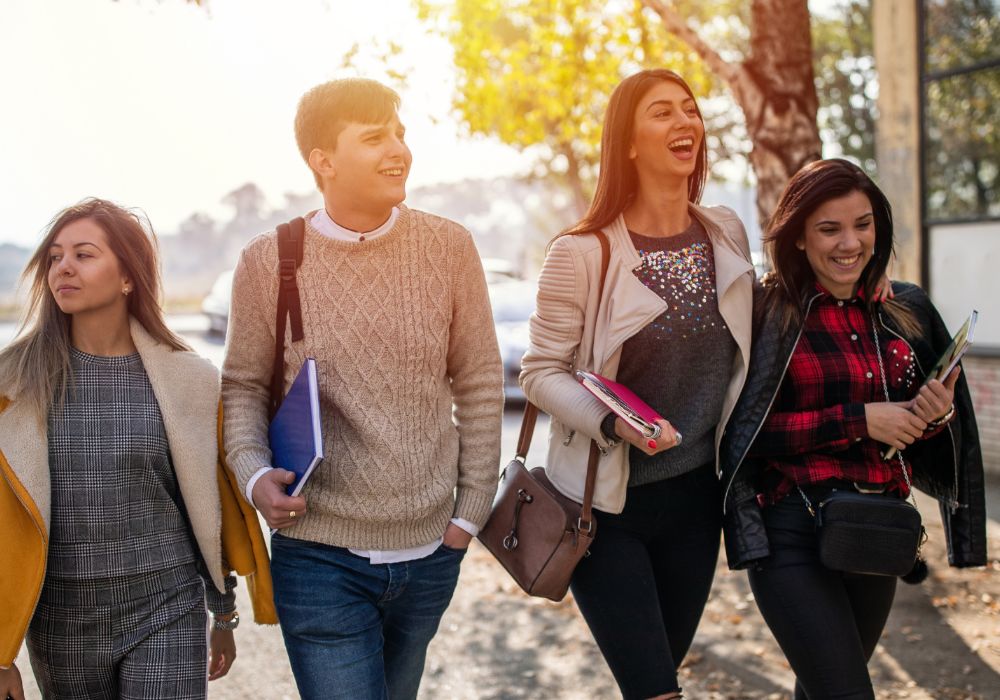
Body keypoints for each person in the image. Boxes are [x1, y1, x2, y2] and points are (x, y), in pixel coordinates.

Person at [221, 77, 503, 700]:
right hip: (317, 553)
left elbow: (481, 383)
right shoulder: (268, 260)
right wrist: (252, 473)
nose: (398, 149)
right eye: (375, 137)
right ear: (323, 161)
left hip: (432, 548)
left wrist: (468, 514)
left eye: (400, 134)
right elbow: (241, 387)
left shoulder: (450, 248)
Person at [519, 69, 755, 700]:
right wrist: (611, 422)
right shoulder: (581, 252)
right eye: (661, 113)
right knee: (658, 691)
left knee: (652, 685)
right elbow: (539, 372)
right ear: (626, 142)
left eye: (690, 110)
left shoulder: (725, 231)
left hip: (697, 505)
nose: (685, 123)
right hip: (604, 508)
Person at [720, 158, 987, 699]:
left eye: (863, 225)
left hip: (875, 527)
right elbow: (744, 435)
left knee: (822, 688)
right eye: (829, 228)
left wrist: (931, 418)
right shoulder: (767, 310)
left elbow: (916, 440)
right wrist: (858, 419)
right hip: (790, 528)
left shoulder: (902, 308)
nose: (850, 243)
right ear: (798, 238)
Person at [0, 198, 275, 700]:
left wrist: (224, 611)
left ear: (129, 276)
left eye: (84, 255)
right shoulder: (12, 382)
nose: (64, 267)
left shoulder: (189, 380)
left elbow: (207, 507)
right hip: (60, 620)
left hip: (165, 604)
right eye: (55, 256)